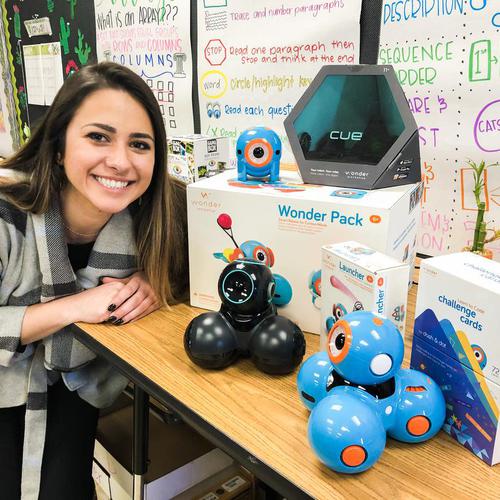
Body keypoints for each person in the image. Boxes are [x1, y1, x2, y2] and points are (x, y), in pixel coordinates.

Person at [0, 62, 188, 500]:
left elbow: (206, 265)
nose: (120, 161)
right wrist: (73, 307)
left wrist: (154, 281)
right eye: (98, 137)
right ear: (60, 146)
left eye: (139, 144)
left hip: (76, 391)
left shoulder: (157, 215)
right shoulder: (8, 214)